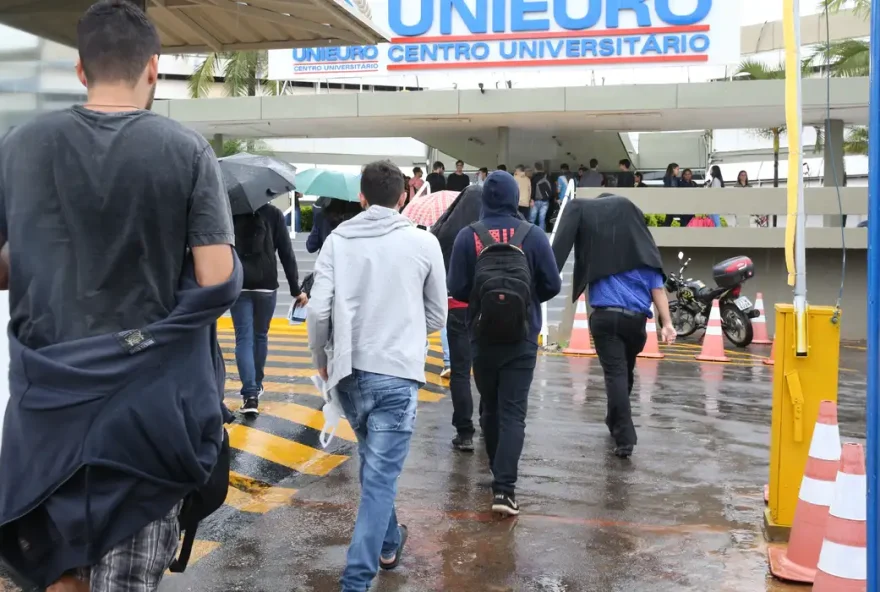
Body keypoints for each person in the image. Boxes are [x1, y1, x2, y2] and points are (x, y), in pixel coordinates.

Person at [0, 1, 239, 590]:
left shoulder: (19, 145)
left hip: (46, 418)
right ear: (153, 68)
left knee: (58, 577)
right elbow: (215, 277)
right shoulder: (186, 151)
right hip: (147, 416)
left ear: (81, 71)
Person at [308, 161, 447, 592]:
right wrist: (403, 332)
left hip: (349, 372)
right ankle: (356, 581)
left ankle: (388, 543)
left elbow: (318, 311)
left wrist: (321, 359)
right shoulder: (424, 243)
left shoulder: (337, 240)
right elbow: (436, 313)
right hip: (397, 374)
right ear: (404, 196)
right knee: (380, 477)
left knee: (374, 463)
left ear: (361, 197)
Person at [447, 171, 562, 516]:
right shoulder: (534, 235)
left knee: (491, 407)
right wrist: (525, 300)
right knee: (514, 411)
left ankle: (498, 472)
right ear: (515, 198)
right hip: (522, 336)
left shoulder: (469, 236)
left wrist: (486, 302)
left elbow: (457, 287)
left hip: (481, 336)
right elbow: (553, 284)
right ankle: (505, 490)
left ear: (485, 200)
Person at [552, 195, 675, 459]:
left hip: (605, 320)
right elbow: (659, 291)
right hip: (636, 323)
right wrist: (667, 324)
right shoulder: (645, 256)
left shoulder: (598, 252)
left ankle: (624, 437)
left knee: (616, 375)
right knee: (624, 373)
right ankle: (615, 421)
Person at [232, 204, 308, 415]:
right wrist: (296, 290)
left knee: (243, 338)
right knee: (260, 335)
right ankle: (257, 384)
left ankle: (250, 396)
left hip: (239, 283)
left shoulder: (231, 211)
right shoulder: (273, 214)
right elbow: (286, 253)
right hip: (266, 284)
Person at [431, 185, 484, 451]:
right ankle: (488, 419)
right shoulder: (491, 231)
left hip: (457, 307)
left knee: (460, 372)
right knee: (488, 368)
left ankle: (464, 432)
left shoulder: (445, 230)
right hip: (489, 309)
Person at [530, 161, 554, 230]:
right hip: (546, 200)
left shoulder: (534, 177)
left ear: (535, 168)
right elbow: (553, 188)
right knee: (542, 218)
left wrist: (531, 199)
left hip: (535, 200)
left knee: (532, 218)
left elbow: (533, 189)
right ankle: (542, 233)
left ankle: (531, 232)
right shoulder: (548, 176)